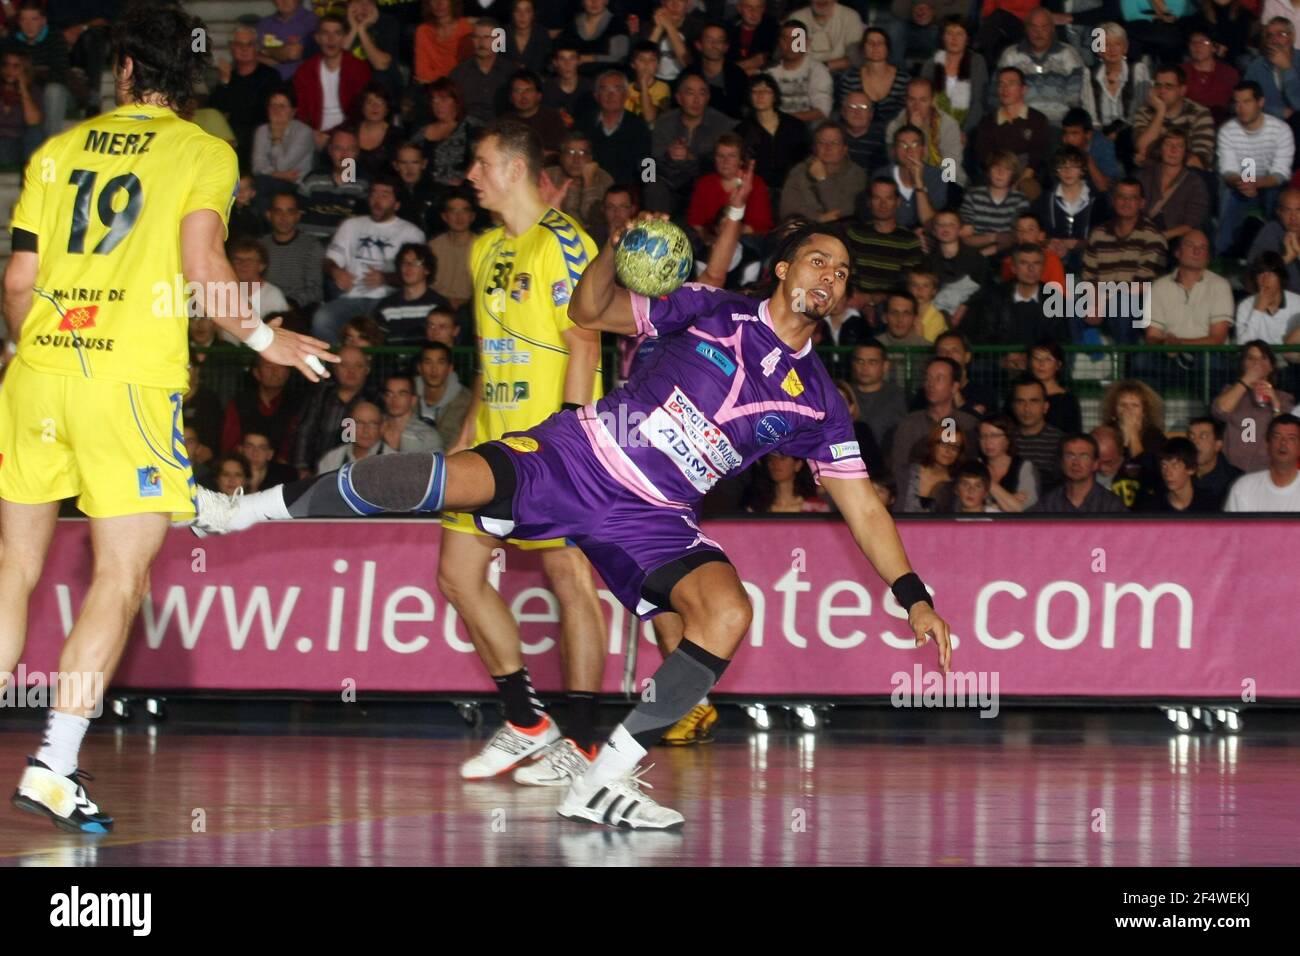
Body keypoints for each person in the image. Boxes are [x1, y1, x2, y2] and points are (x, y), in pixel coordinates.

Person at [192, 218, 954, 830]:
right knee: (432, 483)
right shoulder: (708, 305)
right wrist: (615, 252)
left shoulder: (818, 399)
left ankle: (600, 779)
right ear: (784, 268)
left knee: (727, 611)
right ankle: (238, 510)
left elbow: (860, 503)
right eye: (819, 261)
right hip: (580, 456)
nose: (831, 278)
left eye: (844, 273)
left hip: (655, 517)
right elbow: (587, 312)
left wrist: (911, 592)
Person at [0, 3, 335, 834]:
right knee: (119, 578)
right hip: (127, 382)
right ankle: (54, 763)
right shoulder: (202, 149)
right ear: (188, 78)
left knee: (14, 567)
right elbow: (202, 265)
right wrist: (266, 335)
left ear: (120, 72)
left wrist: (38, 350)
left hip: (36, 371)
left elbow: (15, 284)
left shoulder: (57, 149)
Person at [313, 174, 426, 343]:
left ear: (397, 204)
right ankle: (339, 364)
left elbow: (419, 275)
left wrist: (385, 278)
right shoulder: (351, 225)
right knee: (321, 319)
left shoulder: (411, 233)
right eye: (374, 194)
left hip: (389, 298)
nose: (377, 200)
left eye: (384, 195)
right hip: (352, 297)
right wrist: (336, 272)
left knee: (376, 329)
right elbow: (330, 261)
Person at [1212, 340, 1298, 473]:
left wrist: (1275, 404)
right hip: (1233, 470)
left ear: (1271, 366)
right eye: (1251, 358)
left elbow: (1287, 431)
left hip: (1268, 471)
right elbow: (1219, 411)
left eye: (1263, 358)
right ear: (1243, 364)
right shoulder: (1231, 391)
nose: (1256, 363)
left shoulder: (1283, 397)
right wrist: (1247, 379)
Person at [1029, 434, 1130, 514]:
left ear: (1095, 464)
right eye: (1069, 456)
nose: (1076, 462)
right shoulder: (1048, 504)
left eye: (1084, 456)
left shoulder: (1111, 505)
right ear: (1061, 462)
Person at [376, 242, 451, 343]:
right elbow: (379, 343)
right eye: (404, 262)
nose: (408, 267)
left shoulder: (438, 304)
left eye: (415, 263)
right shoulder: (386, 306)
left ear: (427, 269)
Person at [1224, 414, 1300, 511]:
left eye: (1291, 438)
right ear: (1268, 444)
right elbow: (1231, 526)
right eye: (1277, 437)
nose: (1283, 443)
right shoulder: (1244, 487)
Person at [1009, 378, 1066, 491]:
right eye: (1020, 401)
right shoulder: (1006, 440)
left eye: (1033, 401)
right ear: (1014, 406)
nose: (1026, 408)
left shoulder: (1061, 441)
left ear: (1045, 407)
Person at [1139, 437, 1222, 512]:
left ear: (1191, 469)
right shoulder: (1152, 506)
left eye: (1175, 466)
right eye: (1164, 466)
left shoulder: (1209, 505)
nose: (1168, 473)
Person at [977, 413, 1038, 512]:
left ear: (1008, 439)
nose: (988, 441)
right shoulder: (975, 465)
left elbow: (1023, 509)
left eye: (994, 436)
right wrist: (1010, 499)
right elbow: (968, 506)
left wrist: (988, 481)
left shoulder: (1024, 467)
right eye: (983, 436)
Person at [900, 424, 966, 513]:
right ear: (932, 444)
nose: (948, 451)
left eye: (955, 447)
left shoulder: (958, 485)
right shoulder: (906, 474)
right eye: (944, 444)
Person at [743, 452, 833, 512]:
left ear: (798, 465)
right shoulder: (756, 509)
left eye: (782, 458)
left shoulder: (817, 507)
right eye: (770, 459)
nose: (775, 463)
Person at [317, 399, 389, 472]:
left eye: (373, 424)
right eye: (359, 423)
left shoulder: (394, 460)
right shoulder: (331, 460)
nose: (366, 430)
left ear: (382, 428)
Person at [1188, 415, 1244, 507]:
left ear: (1218, 445)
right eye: (1191, 437)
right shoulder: (1179, 475)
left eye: (1203, 436)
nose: (1195, 442)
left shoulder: (1236, 480)